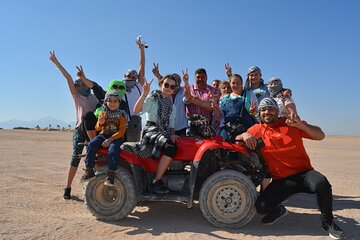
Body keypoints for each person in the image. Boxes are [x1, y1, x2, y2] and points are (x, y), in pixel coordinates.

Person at [235, 97, 345, 240]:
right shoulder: (256, 130)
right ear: (259, 113)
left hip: (304, 174)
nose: (266, 112)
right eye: (263, 109)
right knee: (261, 207)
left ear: (277, 110)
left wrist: (302, 126)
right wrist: (245, 134)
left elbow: (320, 135)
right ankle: (279, 210)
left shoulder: (290, 124)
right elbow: (237, 141)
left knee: (322, 183)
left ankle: (328, 223)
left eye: (270, 108)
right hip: (282, 180)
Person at [49, 51, 98, 200]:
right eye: (77, 84)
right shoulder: (76, 96)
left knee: (94, 157)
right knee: (75, 157)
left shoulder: (95, 98)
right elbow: (69, 78)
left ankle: (94, 188)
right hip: (79, 129)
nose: (78, 85)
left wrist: (84, 77)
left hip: (93, 131)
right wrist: (57, 63)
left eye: (81, 83)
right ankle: (67, 187)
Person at [133, 76, 179, 194]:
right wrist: (144, 94)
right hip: (151, 130)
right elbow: (137, 110)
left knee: (175, 144)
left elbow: (171, 124)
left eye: (172, 86)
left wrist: (172, 134)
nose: (169, 88)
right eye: (166, 85)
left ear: (174, 89)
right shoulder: (152, 98)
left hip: (163, 131)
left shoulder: (172, 106)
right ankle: (156, 181)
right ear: (161, 85)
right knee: (170, 148)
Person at [81, 91, 127, 187]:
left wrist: (110, 139)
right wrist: (101, 122)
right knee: (91, 144)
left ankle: (111, 174)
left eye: (115, 101)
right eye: (110, 101)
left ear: (119, 103)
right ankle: (89, 170)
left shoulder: (122, 116)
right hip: (103, 134)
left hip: (116, 137)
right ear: (106, 102)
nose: (113, 103)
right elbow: (97, 128)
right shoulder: (103, 113)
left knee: (113, 150)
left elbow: (121, 131)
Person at [75, 66, 128, 140]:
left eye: (121, 87)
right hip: (100, 129)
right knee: (88, 115)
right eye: (115, 86)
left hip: (115, 133)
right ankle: (93, 140)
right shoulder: (104, 95)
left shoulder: (123, 104)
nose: (118, 89)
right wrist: (83, 78)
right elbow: (95, 87)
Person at [152, 63, 188, 135]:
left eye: (178, 81)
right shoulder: (166, 92)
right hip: (166, 127)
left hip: (181, 127)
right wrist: (158, 75)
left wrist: (186, 82)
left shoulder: (183, 92)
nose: (176, 83)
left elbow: (188, 95)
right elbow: (164, 82)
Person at [219, 74, 257, 141]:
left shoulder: (249, 94)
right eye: (233, 83)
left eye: (238, 83)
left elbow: (258, 113)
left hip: (246, 129)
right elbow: (221, 116)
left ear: (242, 83)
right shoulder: (224, 98)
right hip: (228, 130)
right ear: (230, 84)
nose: (235, 85)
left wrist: (253, 112)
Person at [123, 37, 146, 142]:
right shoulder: (119, 87)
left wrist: (141, 50)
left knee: (132, 150)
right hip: (121, 121)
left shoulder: (138, 86)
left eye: (134, 76)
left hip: (134, 122)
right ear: (124, 76)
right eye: (129, 76)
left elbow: (141, 66)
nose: (132, 78)